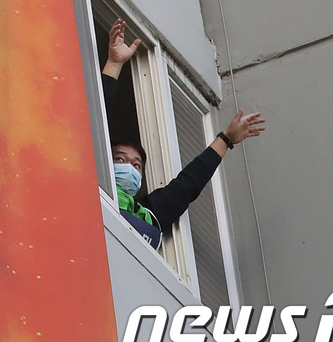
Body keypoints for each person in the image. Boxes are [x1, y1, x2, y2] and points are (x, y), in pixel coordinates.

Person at [102, 18, 265, 252]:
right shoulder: (95, 185)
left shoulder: (148, 216)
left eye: (136, 165)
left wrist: (226, 139)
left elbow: (187, 185)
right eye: (120, 159)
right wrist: (114, 63)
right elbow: (94, 120)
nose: (129, 168)